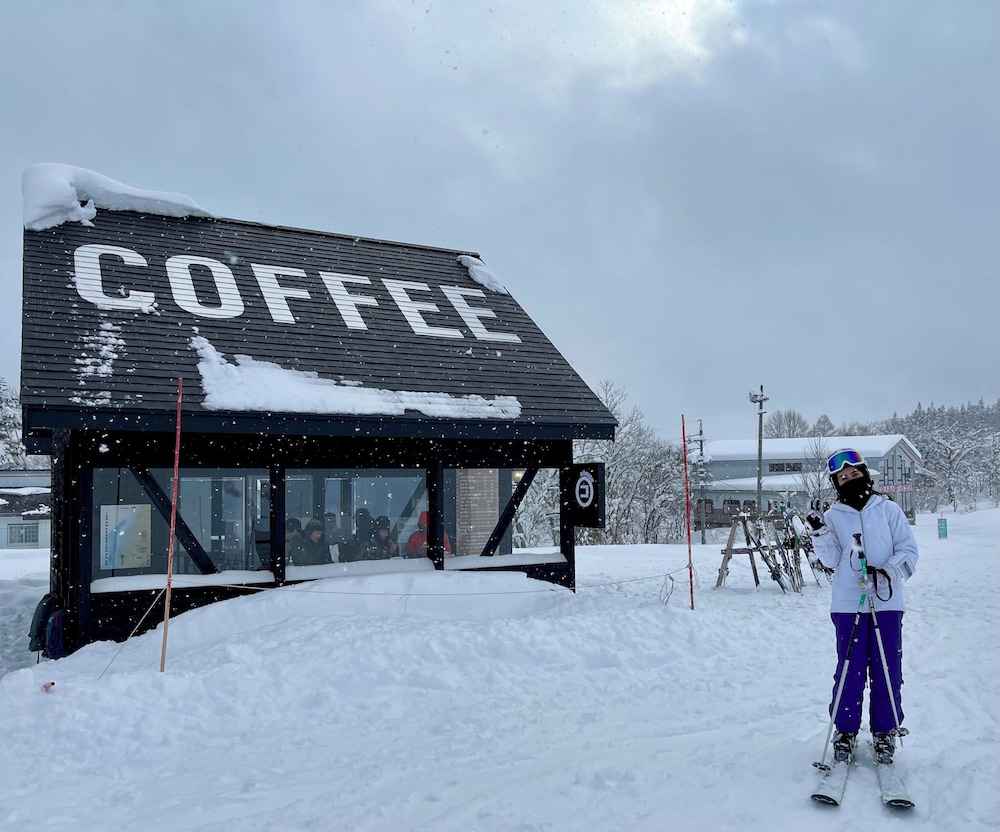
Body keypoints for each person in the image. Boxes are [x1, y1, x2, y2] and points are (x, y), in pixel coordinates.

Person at [805, 448, 918, 766]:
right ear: (836, 483)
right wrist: (819, 532)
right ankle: (845, 730)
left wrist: (885, 575)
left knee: (887, 668)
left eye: (854, 473)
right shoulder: (833, 516)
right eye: (843, 477)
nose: (849, 478)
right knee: (850, 670)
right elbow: (830, 559)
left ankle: (885, 731)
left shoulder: (888, 510)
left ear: (865, 474)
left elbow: (909, 551)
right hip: (848, 603)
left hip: (886, 603)